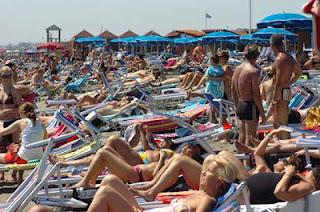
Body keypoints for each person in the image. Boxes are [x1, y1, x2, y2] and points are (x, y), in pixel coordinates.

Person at [87, 154, 239, 212]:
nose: (203, 172)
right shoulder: (199, 193)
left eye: (208, 171)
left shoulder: (207, 200)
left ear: (219, 182)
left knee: (105, 194)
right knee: (110, 180)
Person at [0, 103, 47, 182]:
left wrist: (1, 124)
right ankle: (19, 179)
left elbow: (2, 132)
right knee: (20, 149)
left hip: (23, 158)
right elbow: (45, 138)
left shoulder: (21, 122)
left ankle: (5, 176)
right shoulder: (40, 123)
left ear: (22, 113)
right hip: (39, 157)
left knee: (18, 153)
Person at [231, 44, 266, 147]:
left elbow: (233, 88)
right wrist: (263, 114)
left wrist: (237, 105)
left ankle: (240, 161)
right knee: (251, 138)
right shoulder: (254, 71)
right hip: (250, 105)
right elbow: (256, 94)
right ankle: (248, 163)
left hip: (240, 104)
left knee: (242, 135)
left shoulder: (237, 69)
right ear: (256, 56)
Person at [269, 35, 302, 139]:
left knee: (280, 121)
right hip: (286, 90)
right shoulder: (289, 57)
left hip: (280, 91)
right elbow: (298, 72)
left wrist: (273, 100)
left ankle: (284, 143)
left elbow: (278, 81)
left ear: (272, 45)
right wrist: (289, 82)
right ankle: (282, 142)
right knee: (281, 120)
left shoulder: (279, 58)